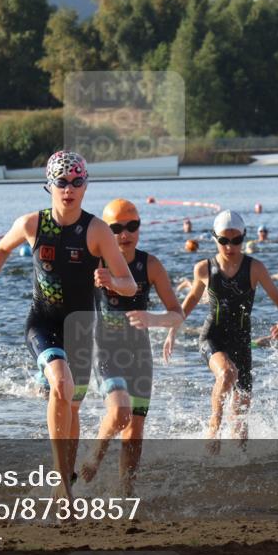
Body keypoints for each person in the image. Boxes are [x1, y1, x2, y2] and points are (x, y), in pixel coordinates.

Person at [0, 151, 136, 502]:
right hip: (43, 322)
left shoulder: (97, 231)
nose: (69, 189)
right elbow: (1, 249)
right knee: (61, 385)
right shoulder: (32, 224)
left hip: (81, 328)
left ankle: (65, 480)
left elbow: (130, 285)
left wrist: (111, 281)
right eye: (62, 182)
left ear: (85, 186)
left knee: (71, 405)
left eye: (77, 182)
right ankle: (62, 480)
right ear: (48, 186)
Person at [164, 210, 278, 454]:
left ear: (243, 237)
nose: (230, 246)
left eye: (236, 241)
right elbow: (188, 303)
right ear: (214, 238)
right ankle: (213, 425)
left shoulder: (255, 268)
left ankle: (236, 466)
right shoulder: (203, 269)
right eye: (224, 241)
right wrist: (172, 332)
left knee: (241, 419)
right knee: (226, 373)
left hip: (241, 342)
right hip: (213, 337)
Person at [80, 199, 183, 493]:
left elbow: (177, 314)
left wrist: (153, 318)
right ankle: (97, 450)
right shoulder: (95, 264)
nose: (125, 234)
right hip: (105, 350)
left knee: (135, 430)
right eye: (116, 228)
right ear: (106, 231)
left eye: (132, 226)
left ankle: (127, 490)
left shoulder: (149, 265)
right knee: (118, 411)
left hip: (139, 354)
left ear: (139, 227)